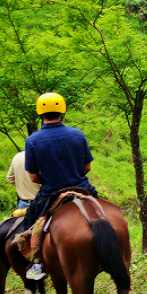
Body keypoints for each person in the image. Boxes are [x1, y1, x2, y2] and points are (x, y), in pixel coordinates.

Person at [22, 92, 97, 280]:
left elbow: (32, 178)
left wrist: (51, 178)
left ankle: (36, 262)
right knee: (103, 212)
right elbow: (87, 167)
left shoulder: (32, 141)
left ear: (40, 113)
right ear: (62, 112)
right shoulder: (78, 135)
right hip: (82, 189)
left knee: (33, 222)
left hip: (51, 193)